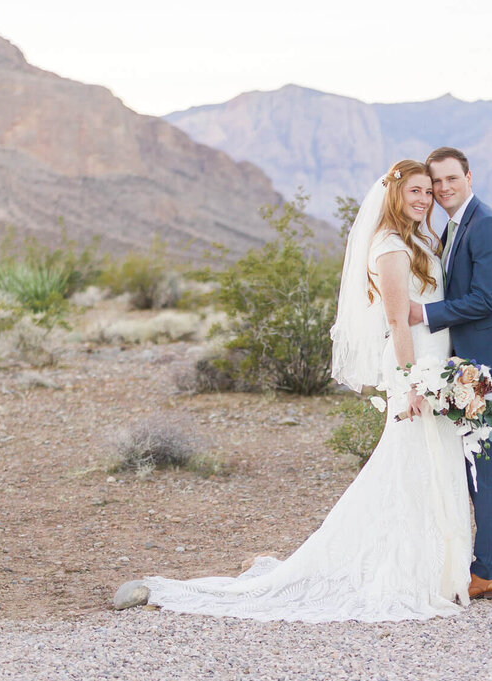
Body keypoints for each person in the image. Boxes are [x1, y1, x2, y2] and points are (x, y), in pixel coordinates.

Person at [144, 160, 473, 622]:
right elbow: (397, 321)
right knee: (408, 465)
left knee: (433, 464)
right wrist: (412, 382)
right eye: (414, 191)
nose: (422, 199)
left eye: (427, 191)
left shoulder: (420, 238)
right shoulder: (391, 247)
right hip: (416, 371)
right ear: (394, 195)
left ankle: (438, 569)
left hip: (435, 367)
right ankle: (398, 568)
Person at [408, 147, 492, 600]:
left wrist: (423, 313)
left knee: (487, 468)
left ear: (468, 176)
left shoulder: (489, 226)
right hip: (476, 361)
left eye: (449, 179)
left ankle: (486, 572)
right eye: (435, 182)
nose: (442, 189)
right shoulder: (455, 225)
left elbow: (485, 300)